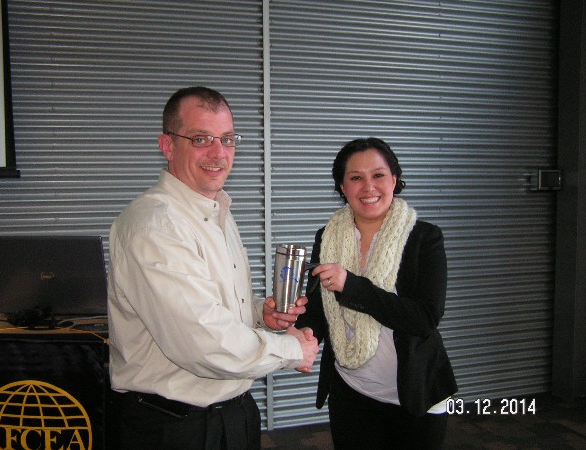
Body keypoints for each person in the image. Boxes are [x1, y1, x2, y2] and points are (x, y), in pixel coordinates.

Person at [107, 86, 319, 450]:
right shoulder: (155, 226)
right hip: (174, 427)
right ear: (168, 145)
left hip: (231, 414)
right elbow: (203, 342)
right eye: (201, 139)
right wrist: (292, 349)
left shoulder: (215, 209)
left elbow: (215, 304)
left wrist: (258, 315)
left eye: (227, 139)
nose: (219, 153)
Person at [296, 137, 457, 449]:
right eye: (355, 178)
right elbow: (318, 312)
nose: (368, 187)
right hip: (351, 390)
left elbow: (424, 318)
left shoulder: (424, 237)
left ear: (394, 180)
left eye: (378, 175)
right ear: (342, 187)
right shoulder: (327, 237)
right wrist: (299, 329)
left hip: (415, 395)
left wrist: (352, 286)